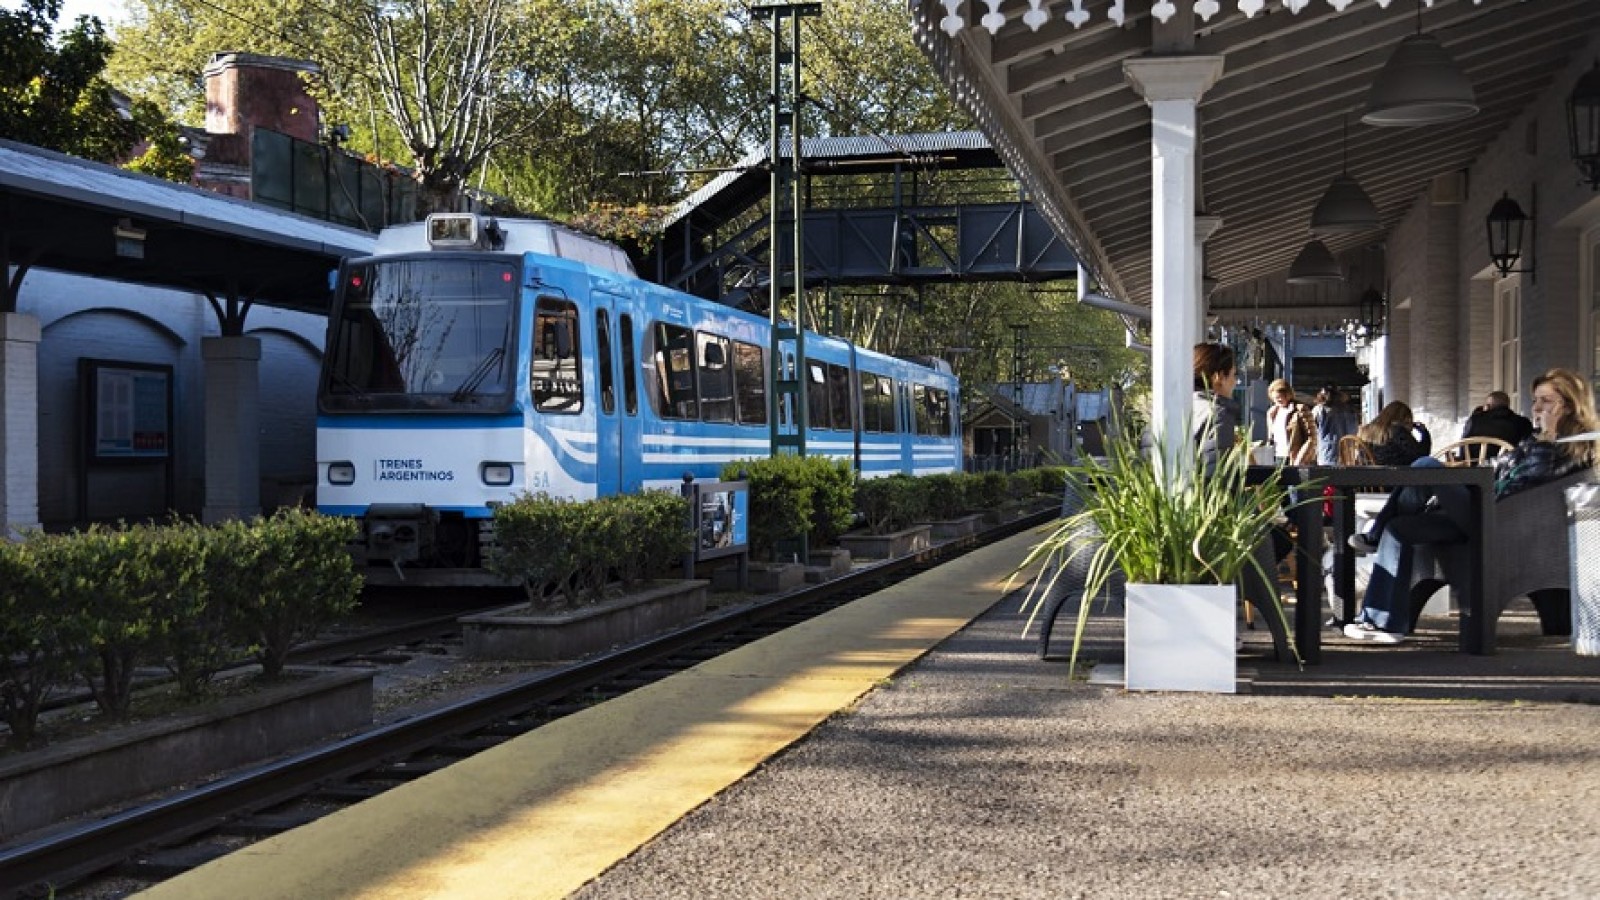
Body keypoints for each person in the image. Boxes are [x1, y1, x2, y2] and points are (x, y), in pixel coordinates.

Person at [1343, 368, 1600, 644]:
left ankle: (1374, 534)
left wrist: (1461, 486)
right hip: (1482, 509)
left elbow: (1516, 487)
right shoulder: (1536, 441)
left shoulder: (1568, 449)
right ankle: (1382, 622)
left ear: (1569, 405)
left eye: (1546, 401)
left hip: (1494, 518)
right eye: (1536, 400)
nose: (1536, 407)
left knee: (1426, 466)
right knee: (1399, 528)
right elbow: (1494, 469)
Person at [1191, 342, 1242, 467]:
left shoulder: (1169, 409)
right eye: (1233, 374)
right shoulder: (1218, 416)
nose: (1235, 382)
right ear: (1218, 377)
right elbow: (1217, 473)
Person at [1459, 390, 1534, 456]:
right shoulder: (1523, 422)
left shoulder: (1474, 420)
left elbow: (1463, 445)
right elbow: (1529, 448)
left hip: (1474, 466)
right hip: (1510, 465)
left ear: (1488, 406)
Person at [1357, 401, 1429, 466]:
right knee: (1429, 462)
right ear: (1406, 419)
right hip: (1393, 472)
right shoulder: (1397, 431)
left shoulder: (1365, 430)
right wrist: (1424, 433)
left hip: (1367, 472)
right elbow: (1420, 455)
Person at [1265, 378, 1316, 465]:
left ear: (1288, 395)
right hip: (1277, 457)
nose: (1279, 400)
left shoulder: (1300, 410)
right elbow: (1271, 438)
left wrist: (1300, 460)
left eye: (1282, 396)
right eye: (1276, 398)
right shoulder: (1272, 412)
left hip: (1295, 459)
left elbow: (1312, 437)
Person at [1313, 384, 1359, 466]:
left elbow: (1311, 433)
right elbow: (1355, 431)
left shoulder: (1319, 410)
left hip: (1327, 458)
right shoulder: (1351, 411)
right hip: (1349, 459)